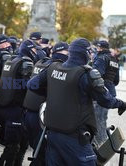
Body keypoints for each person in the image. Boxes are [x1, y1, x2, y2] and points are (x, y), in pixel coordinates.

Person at [27, 38, 126, 166]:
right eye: (90, 52)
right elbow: (106, 100)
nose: (91, 55)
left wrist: (53, 92)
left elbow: (32, 84)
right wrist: (121, 104)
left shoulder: (53, 68)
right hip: (75, 137)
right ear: (85, 53)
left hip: (53, 134)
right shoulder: (86, 74)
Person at [23, 41, 69, 166]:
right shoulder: (57, 67)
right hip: (41, 117)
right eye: (67, 52)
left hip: (29, 113)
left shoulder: (41, 62)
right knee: (41, 155)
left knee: (36, 151)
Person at [0, 39, 34, 165]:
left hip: (5, 107)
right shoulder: (25, 62)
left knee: (15, 145)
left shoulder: (13, 60)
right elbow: (28, 85)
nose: (35, 51)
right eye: (33, 49)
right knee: (14, 147)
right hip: (16, 109)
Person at [92, 40, 120, 146]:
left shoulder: (101, 58)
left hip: (101, 92)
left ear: (100, 48)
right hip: (111, 91)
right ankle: (101, 141)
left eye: (97, 48)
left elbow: (95, 75)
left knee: (98, 119)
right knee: (102, 118)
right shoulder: (114, 60)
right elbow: (116, 80)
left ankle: (100, 144)